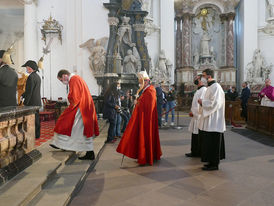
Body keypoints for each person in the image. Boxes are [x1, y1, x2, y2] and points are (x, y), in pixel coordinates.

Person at [51, 70, 99, 160]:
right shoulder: (76, 78)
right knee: (81, 131)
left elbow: (75, 97)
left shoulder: (74, 79)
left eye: (61, 80)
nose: (62, 82)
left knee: (65, 123)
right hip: (84, 107)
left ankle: (61, 143)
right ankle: (62, 144)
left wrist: (69, 103)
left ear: (65, 76)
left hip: (81, 108)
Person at [116, 70, 162, 165]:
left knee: (145, 137)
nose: (140, 84)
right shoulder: (145, 90)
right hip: (142, 118)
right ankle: (143, 156)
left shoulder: (150, 91)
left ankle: (145, 157)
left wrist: (138, 103)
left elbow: (148, 106)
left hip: (146, 120)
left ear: (146, 81)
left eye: (141, 82)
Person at [198, 68, 226, 171]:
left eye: (203, 76)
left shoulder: (216, 87)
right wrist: (203, 102)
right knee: (208, 141)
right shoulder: (210, 87)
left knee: (213, 142)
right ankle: (210, 161)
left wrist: (202, 102)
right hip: (209, 119)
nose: (202, 78)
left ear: (209, 76)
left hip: (214, 120)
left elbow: (215, 103)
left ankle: (214, 164)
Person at [186, 74, 207, 157]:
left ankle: (198, 152)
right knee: (194, 135)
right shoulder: (198, 90)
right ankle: (194, 151)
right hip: (195, 115)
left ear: (201, 81)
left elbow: (200, 102)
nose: (195, 79)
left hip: (199, 116)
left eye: (197, 78)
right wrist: (192, 111)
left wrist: (195, 112)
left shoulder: (203, 90)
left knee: (198, 135)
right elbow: (195, 103)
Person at [21, 60, 41, 139]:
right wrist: (23, 94)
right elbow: (31, 90)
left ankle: (34, 134)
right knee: (36, 119)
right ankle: (37, 134)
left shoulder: (31, 77)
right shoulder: (37, 76)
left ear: (30, 68)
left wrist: (25, 103)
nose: (26, 69)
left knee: (32, 120)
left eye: (27, 67)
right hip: (37, 101)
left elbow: (29, 92)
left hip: (32, 102)